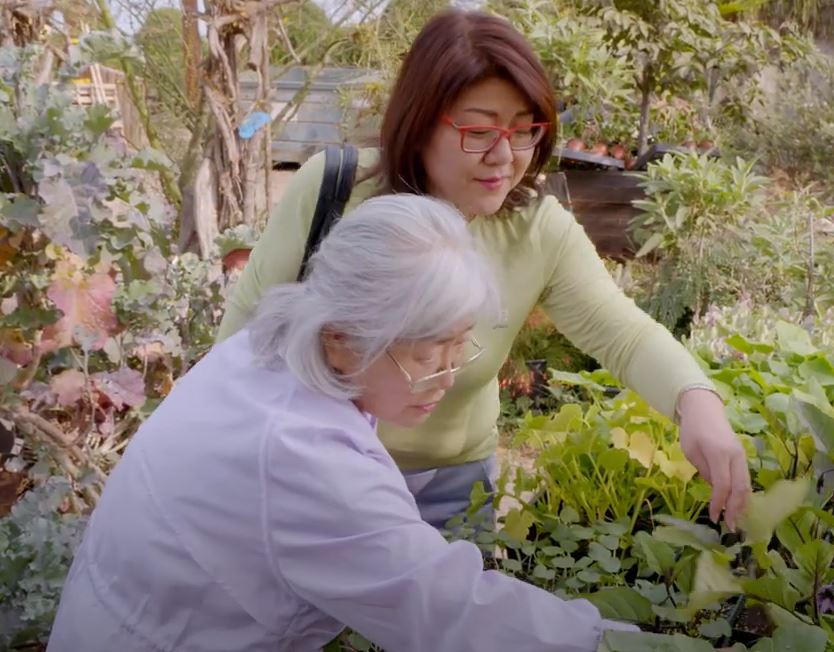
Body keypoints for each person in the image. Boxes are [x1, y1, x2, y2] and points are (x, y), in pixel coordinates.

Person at [217, 10, 750, 531]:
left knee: (450, 615)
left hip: (452, 486)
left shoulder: (537, 229)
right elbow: (244, 332)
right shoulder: (332, 190)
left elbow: (624, 334)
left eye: (524, 131)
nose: (505, 156)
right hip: (317, 473)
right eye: (478, 130)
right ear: (419, 121)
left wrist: (695, 401)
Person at [46, 196, 638, 652]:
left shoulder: (268, 348)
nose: (449, 374)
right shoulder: (300, 454)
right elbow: (446, 608)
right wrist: (612, 639)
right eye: (429, 353)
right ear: (343, 340)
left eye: (461, 346)